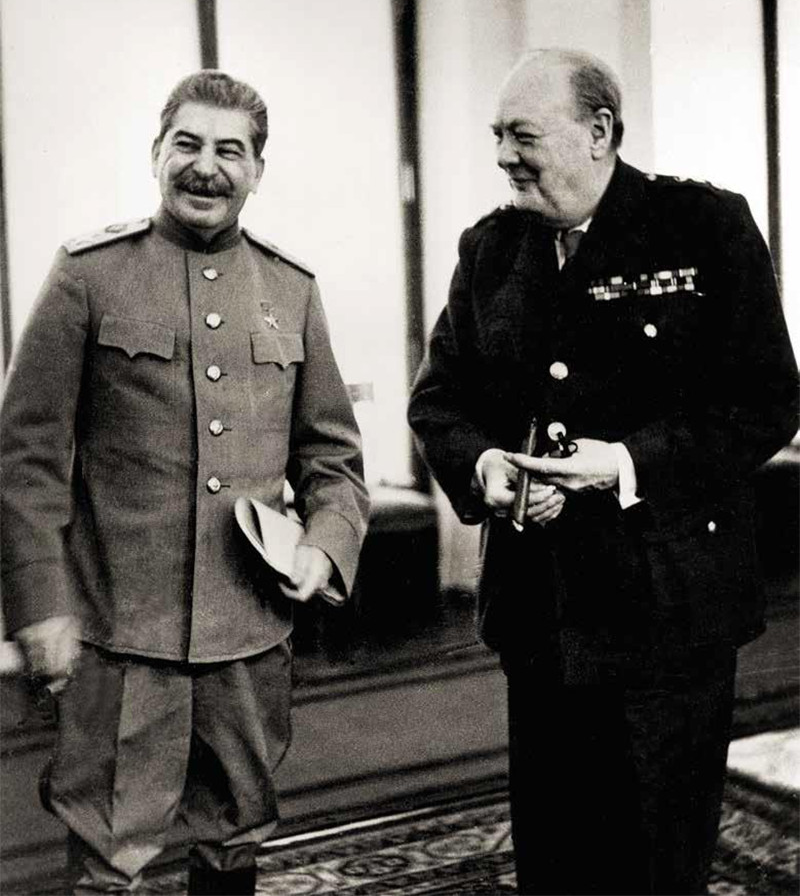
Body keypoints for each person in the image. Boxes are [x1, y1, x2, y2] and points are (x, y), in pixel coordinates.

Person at [407, 49, 798, 895]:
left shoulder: (704, 227)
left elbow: (767, 402)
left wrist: (624, 464)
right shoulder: (491, 249)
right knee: (556, 863)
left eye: (523, 135)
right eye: (497, 135)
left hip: (669, 616)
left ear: (599, 132)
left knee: (656, 864)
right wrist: (487, 468)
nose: (504, 156)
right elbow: (439, 402)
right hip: (541, 617)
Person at [1, 70, 370, 895]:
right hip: (119, 634)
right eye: (188, 144)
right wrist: (40, 602)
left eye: (230, 151)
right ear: (156, 153)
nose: (207, 167)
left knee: (234, 838)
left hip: (248, 635)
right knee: (108, 849)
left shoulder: (290, 289)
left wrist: (324, 543)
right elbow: (26, 458)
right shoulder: (88, 274)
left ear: (257, 170)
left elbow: (332, 456)